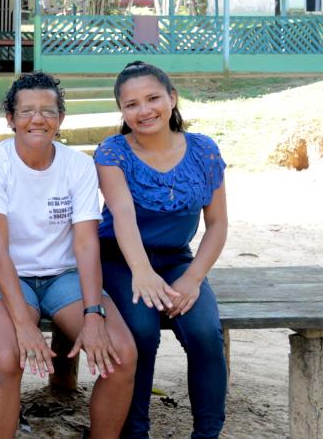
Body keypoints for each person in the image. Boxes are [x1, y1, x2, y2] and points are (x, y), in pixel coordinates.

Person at [0, 72, 137, 439]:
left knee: (121, 353)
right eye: (26, 111)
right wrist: (24, 325)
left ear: (61, 118)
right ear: (10, 118)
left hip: (63, 276)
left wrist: (93, 316)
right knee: (9, 356)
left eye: (47, 110)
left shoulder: (78, 165)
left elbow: (87, 244)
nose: (37, 119)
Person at [96, 61, 228, 439]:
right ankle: (134, 432)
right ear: (122, 111)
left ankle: (207, 433)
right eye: (131, 104)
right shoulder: (114, 152)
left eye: (152, 98)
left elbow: (217, 224)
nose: (144, 110)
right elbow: (121, 215)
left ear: (172, 98)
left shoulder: (204, 150)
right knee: (141, 331)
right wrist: (141, 272)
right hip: (121, 260)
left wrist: (192, 279)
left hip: (176, 260)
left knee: (204, 331)